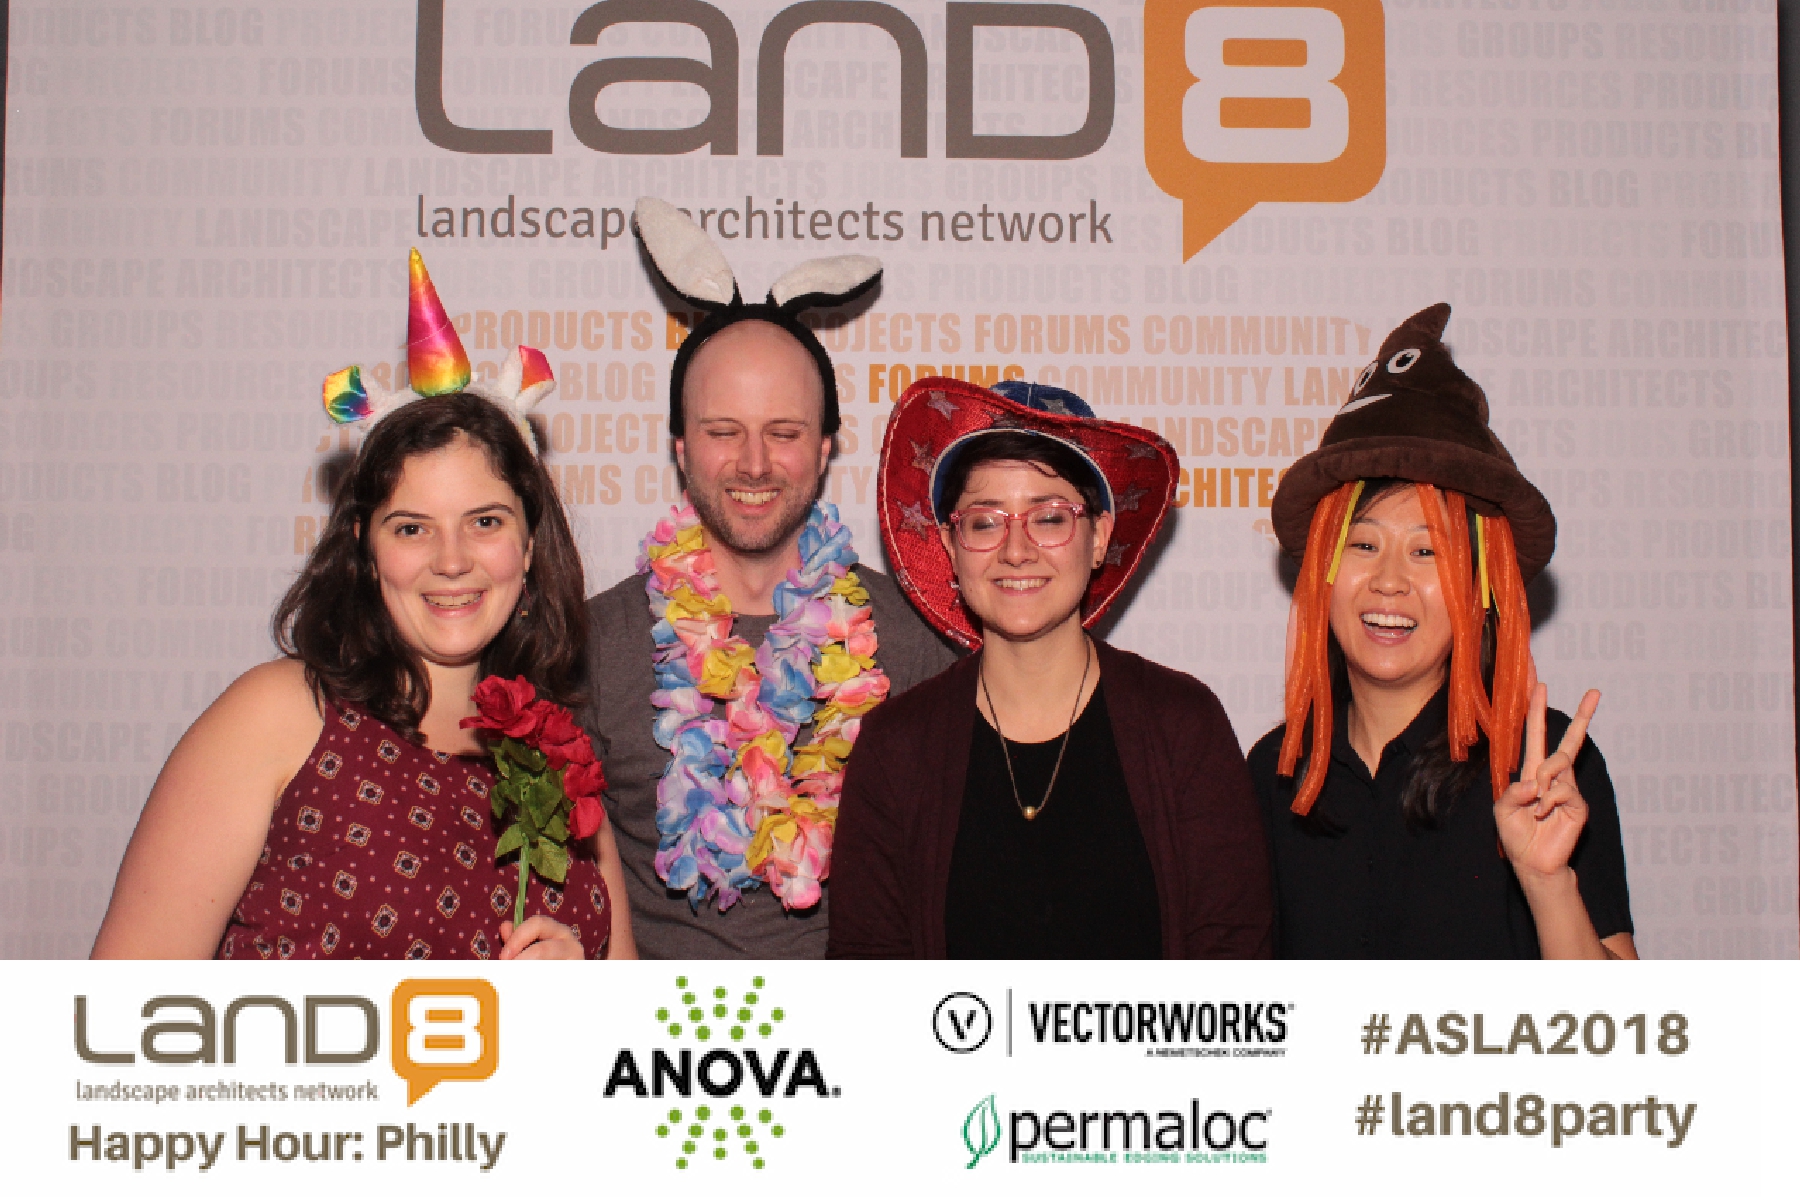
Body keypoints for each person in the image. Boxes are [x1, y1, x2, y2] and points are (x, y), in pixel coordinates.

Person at [92, 251, 633, 960]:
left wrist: (583, 999)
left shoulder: (558, 763)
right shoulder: (282, 716)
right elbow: (119, 1008)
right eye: (411, 528)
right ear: (365, 547)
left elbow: (627, 1024)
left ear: (529, 545)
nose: (451, 560)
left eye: (485, 521)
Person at [579, 199, 957, 957]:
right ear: (681, 448)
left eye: (783, 433)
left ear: (824, 449)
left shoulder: (916, 644)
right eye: (724, 432)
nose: (754, 464)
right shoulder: (589, 645)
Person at [828, 378, 1274, 959]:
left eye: (1050, 518)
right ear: (951, 546)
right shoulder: (895, 748)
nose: (1016, 551)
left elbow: (1234, 964)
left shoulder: (1182, 724)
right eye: (985, 522)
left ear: (1099, 537)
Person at [1249, 303, 1635, 959]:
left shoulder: (1541, 770)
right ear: (1321, 573)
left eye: (1427, 551)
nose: (1389, 582)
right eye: (1363, 545)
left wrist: (1549, 884)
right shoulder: (1274, 772)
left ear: (1482, 586)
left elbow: (1621, 1024)